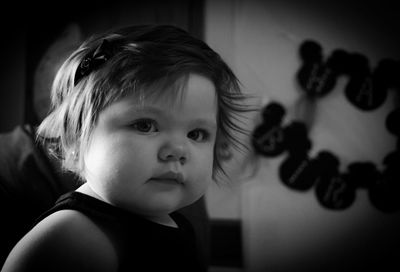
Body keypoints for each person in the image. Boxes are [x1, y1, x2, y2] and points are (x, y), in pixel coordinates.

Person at [1, 24, 249, 272]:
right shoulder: (74, 237)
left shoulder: (171, 222)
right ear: (75, 138)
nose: (177, 150)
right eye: (144, 125)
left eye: (196, 134)